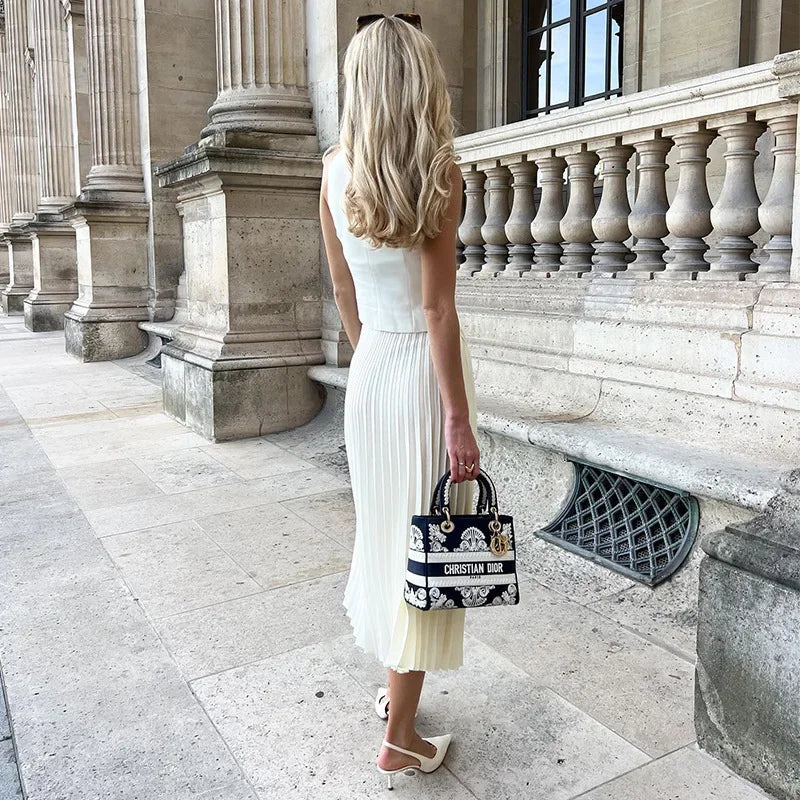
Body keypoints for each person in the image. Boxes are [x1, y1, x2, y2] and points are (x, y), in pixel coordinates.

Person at [318, 12, 481, 790]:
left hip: (374, 369)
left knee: (389, 540)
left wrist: (368, 359)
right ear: (421, 81)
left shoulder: (333, 170)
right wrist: (458, 420)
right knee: (426, 550)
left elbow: (342, 288)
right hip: (420, 375)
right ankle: (401, 739)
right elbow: (438, 310)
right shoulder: (440, 172)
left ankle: (397, 696)